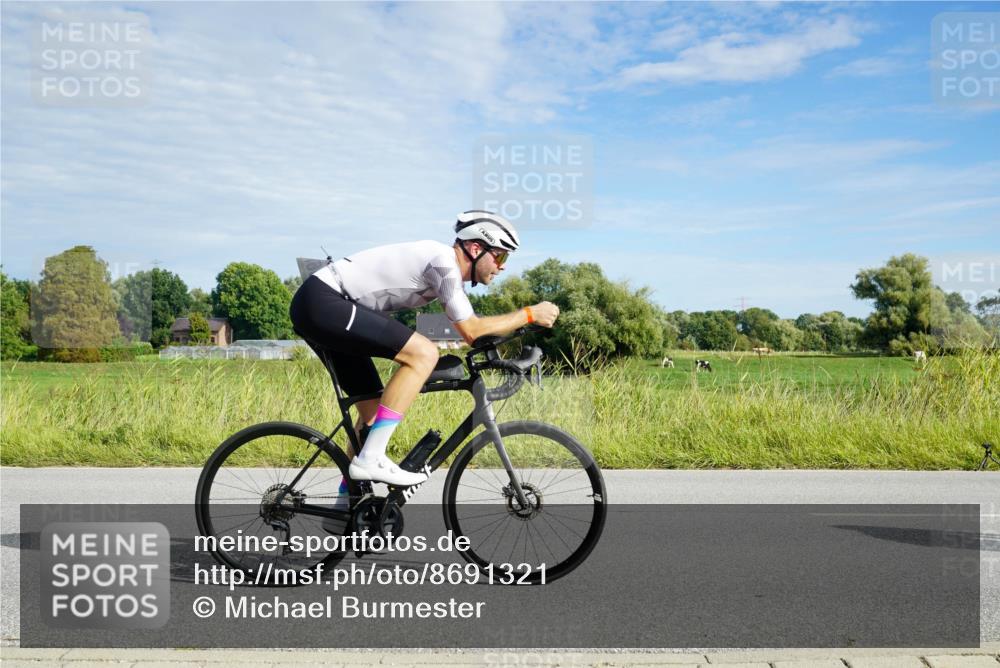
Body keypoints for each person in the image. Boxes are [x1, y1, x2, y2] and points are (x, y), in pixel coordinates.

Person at [289, 210, 560, 497]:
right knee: (424, 353)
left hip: (326, 305)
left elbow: (476, 331)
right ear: (476, 248)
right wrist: (529, 314)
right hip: (325, 301)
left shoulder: (445, 270)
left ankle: (349, 501)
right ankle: (371, 459)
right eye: (500, 257)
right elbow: (472, 330)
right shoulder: (442, 263)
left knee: (371, 413)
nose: (502, 267)